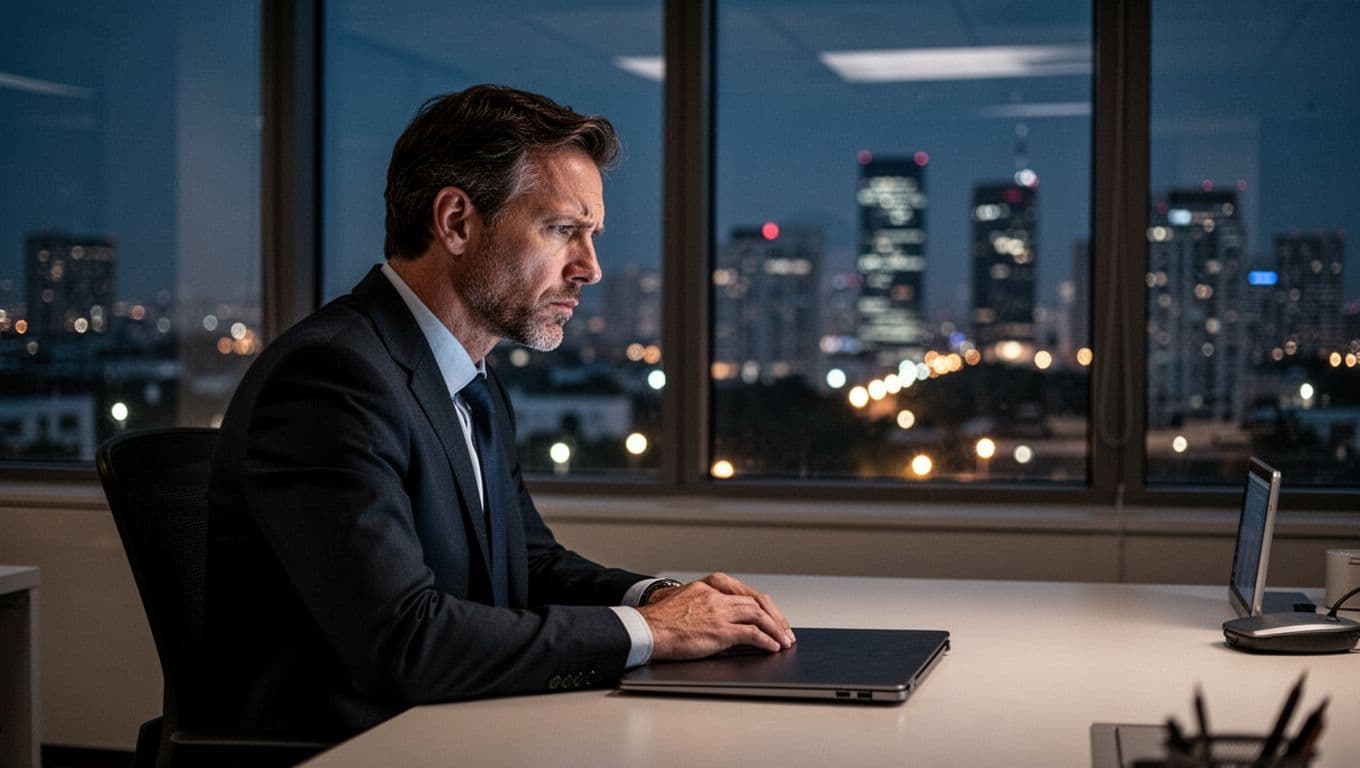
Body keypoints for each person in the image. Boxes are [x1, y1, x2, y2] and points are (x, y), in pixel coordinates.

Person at [205, 84, 794, 739]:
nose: (591, 268)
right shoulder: (331, 378)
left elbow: (529, 566)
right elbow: (405, 644)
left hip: (449, 730)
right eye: (563, 230)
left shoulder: (468, 378)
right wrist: (652, 633)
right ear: (456, 222)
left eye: (591, 235)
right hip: (346, 747)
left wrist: (658, 600)